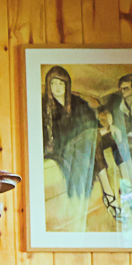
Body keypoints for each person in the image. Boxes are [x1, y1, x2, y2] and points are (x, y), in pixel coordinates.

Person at [41, 65, 97, 200]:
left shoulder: (77, 103)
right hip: (58, 148)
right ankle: (106, 193)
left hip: (78, 142)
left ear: (67, 85)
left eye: (61, 83)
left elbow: (90, 122)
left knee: (93, 137)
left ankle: (104, 191)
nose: (57, 87)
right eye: (53, 83)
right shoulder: (44, 105)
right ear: (49, 85)